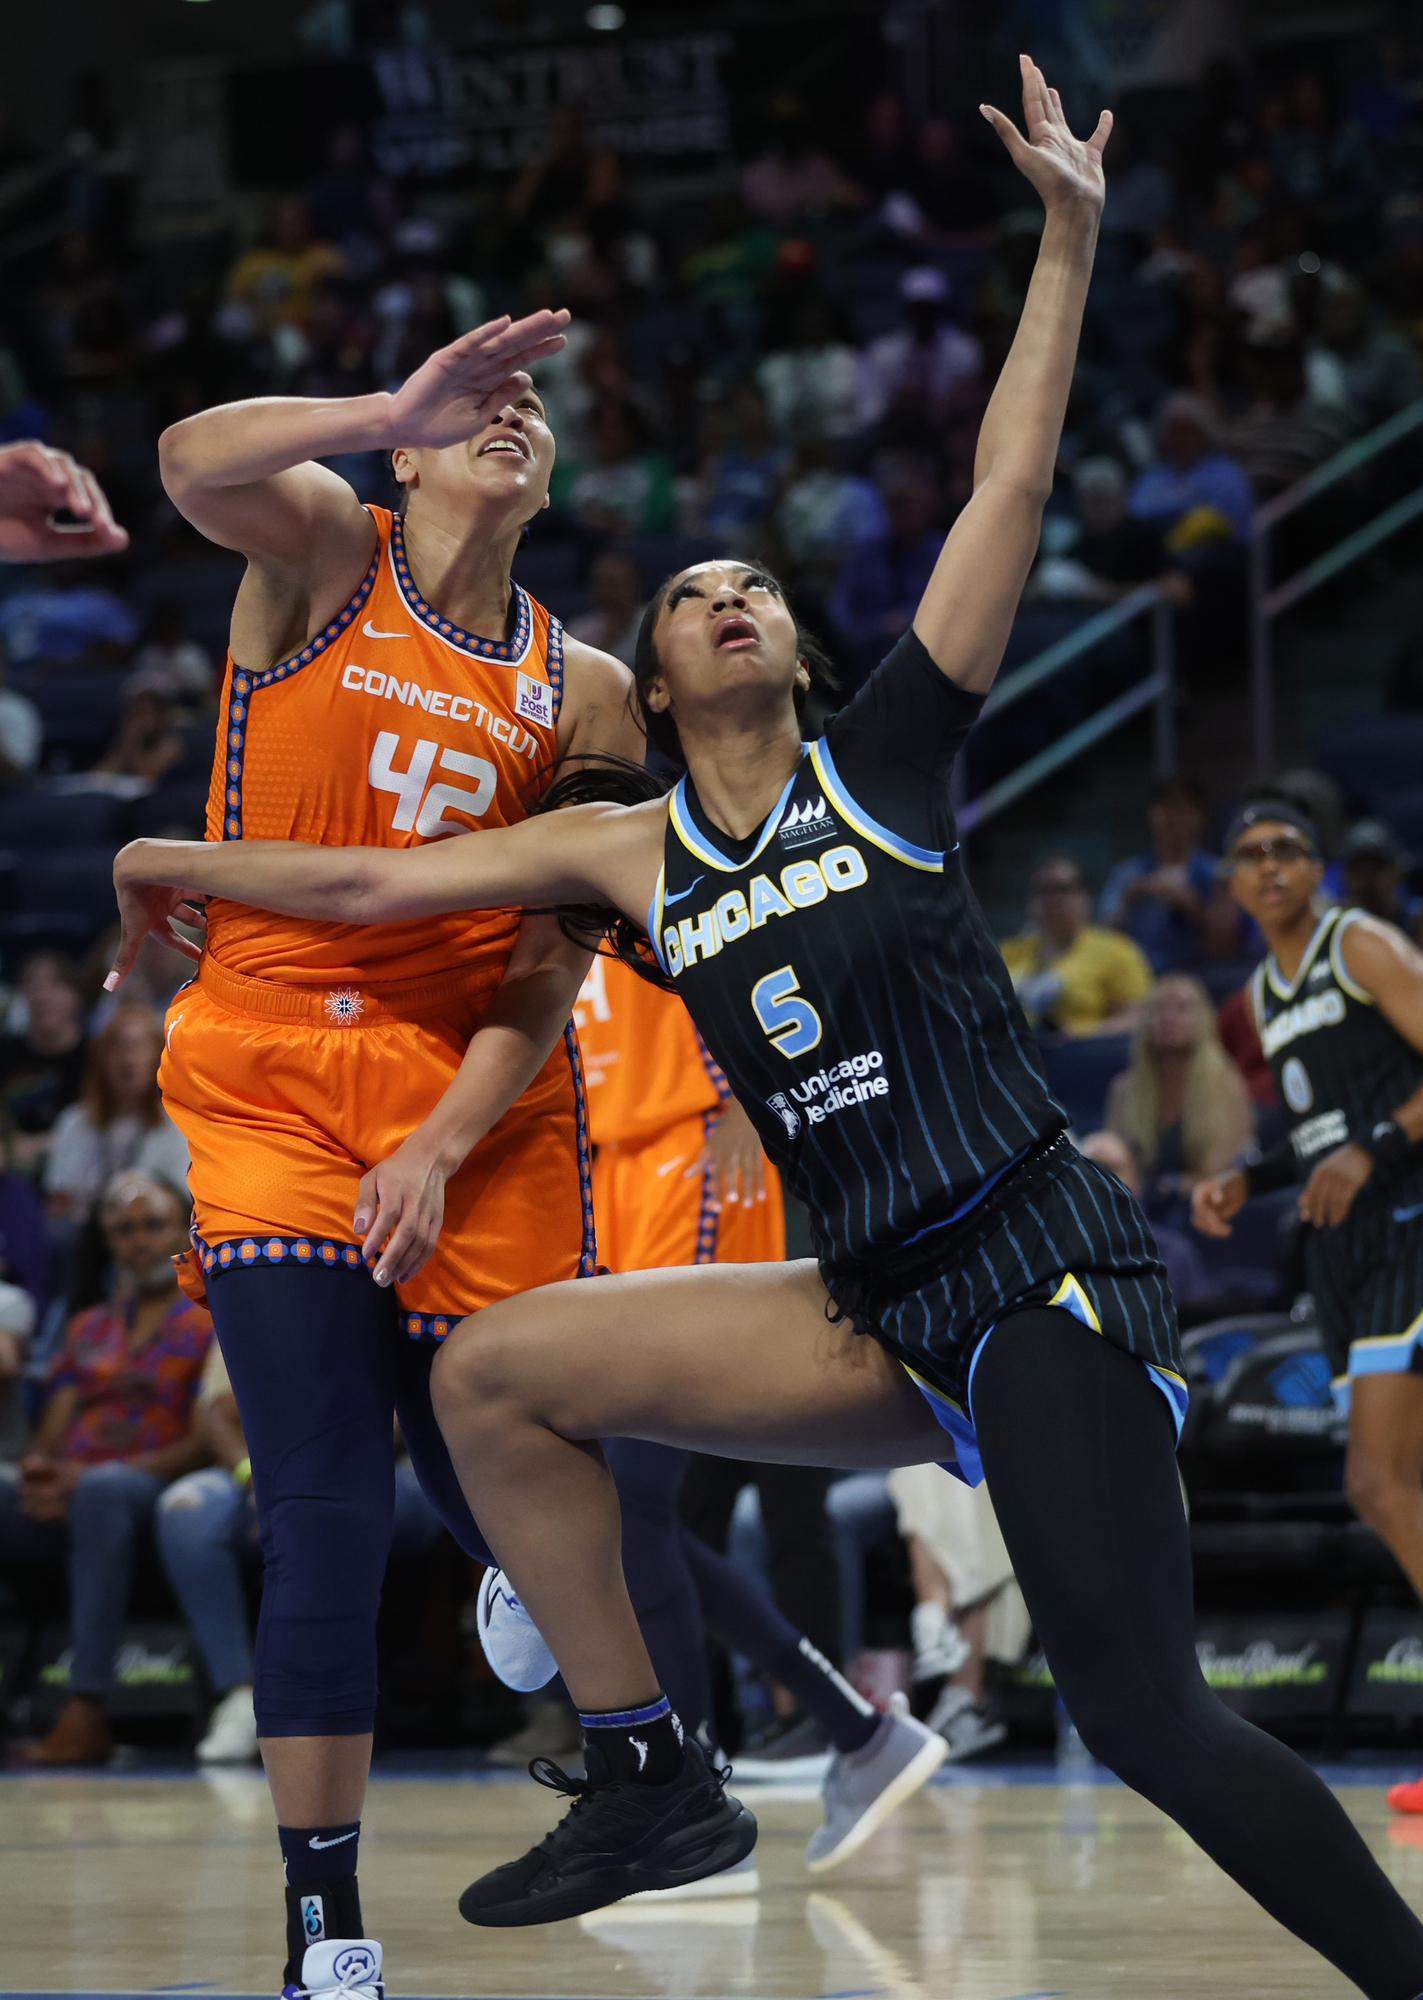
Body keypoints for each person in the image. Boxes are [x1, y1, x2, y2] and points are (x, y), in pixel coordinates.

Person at [111, 65, 1423, 1995]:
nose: (731, 600)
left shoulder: (888, 764)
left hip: (1034, 1274)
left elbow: (1008, 481)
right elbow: (378, 891)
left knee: (1143, 1717)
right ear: (645, 670)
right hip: (870, 1295)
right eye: (698, 592)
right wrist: (173, 851)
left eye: (760, 592)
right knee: (493, 1383)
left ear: (800, 654)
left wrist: (1065, 233)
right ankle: (652, 1767)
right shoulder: (624, 850)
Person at [113, 305, 650, 1998]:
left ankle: (537, 1597)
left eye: (528, 404)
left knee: (509, 1439)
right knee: (322, 1507)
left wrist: (436, 1138)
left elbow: (547, 961)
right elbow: (188, 461)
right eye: (469, 401)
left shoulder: (589, 684)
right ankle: (325, 1931)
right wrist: (379, 403)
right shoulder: (327, 548)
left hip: (460, 1081)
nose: (509, 413)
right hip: (269, 1056)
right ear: (407, 452)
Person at [479, 952, 946, 1870]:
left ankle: (688, 1791)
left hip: (687, 1166)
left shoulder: (632, 854)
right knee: (639, 1520)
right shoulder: (542, 898)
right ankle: (854, 1732)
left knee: (635, 1514)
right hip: (614, 1175)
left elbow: (753, 953)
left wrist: (750, 1097)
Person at [1191, 802, 1423, 1827]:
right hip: (1346, 1249)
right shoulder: (1260, 993)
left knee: (1376, 1481)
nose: (1268, 865)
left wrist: (1371, 1147)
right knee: (1394, 1482)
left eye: (1285, 849)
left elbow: (1363, 1128)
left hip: (1406, 1223)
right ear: (1231, 883)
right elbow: (1317, 1128)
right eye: (1248, 854)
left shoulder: (1358, 945)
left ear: (1317, 868)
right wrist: (1252, 1172)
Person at [0, 1171, 210, 1765]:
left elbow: (204, 1440)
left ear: (185, 1231)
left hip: (153, 1484)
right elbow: (51, 1433)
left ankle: (86, 1709)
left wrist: (86, 1480)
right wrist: (42, 1472)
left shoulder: (209, 1318)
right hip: (74, 1489)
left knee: (103, 1490)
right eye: (122, 1230)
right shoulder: (87, 1325)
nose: (138, 1241)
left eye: (153, 1225)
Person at [156, 1341, 444, 1767]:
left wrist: (314, 1481)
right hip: (265, 1469)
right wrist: (254, 1477)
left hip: (387, 1460)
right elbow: (216, 1412)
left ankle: (335, 1704)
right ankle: (240, 1692)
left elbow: (413, 1408)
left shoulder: (391, 1283)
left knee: (326, 1514)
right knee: (185, 1510)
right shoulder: (251, 1280)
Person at [1104, 973, 1254, 1216]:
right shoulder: (1123, 1090)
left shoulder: (1228, 1086)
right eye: (1158, 1009)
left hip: (1205, 1208)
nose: (1168, 1017)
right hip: (1139, 1210)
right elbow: (1114, 1165)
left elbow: (1228, 1170)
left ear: (1203, 1020)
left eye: (1182, 1009)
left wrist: (1181, 1187)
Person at [44, 1004, 190, 1224]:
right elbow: (59, 1205)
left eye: (137, 1047)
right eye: (117, 1047)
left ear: (158, 1057)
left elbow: (181, 1207)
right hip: (86, 1240)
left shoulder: (179, 1125)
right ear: (100, 1059)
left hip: (154, 1240)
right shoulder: (74, 1122)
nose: (127, 1059)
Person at [1000, 853, 1153, 1035]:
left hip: (1081, 1056)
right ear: (1030, 901)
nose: (1052, 900)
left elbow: (1140, 1015)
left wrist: (1080, 1036)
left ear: (1084, 898)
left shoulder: (1116, 950)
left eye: (1063, 889)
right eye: (1043, 890)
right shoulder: (1005, 952)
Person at [1099, 777, 1229, 975]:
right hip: (1138, 978)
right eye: (1165, 807)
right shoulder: (1127, 873)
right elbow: (1103, 937)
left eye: (1181, 808)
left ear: (1199, 815)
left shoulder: (1217, 872)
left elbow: (1229, 945)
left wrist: (1194, 908)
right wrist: (1127, 901)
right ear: (1151, 814)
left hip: (1198, 978)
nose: (1173, 817)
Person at [0, 952, 90, 1177]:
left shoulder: (96, 1055)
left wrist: (41, 1145)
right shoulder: (5, 1051)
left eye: (54, 985)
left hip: (79, 1165)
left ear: (77, 996)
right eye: (32, 986)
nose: (41, 997)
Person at [1341, 820, 1423, 946]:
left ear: (1398, 871)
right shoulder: (1336, 925)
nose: (1367, 877)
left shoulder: (1416, 921)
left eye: (1376, 867)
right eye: (1358, 868)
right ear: (1345, 874)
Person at [565, 551, 645, 670]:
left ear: (634, 586)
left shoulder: (653, 623)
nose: (605, 591)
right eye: (599, 583)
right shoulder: (578, 631)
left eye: (613, 584)